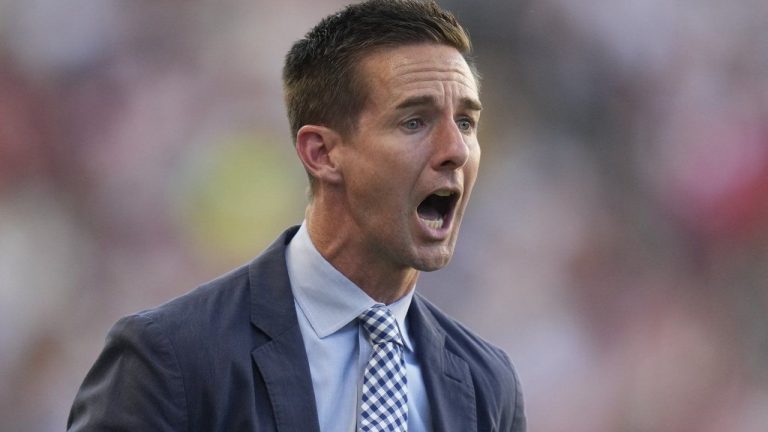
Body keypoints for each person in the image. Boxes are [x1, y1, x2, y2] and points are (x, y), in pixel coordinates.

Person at [67, 1, 525, 430]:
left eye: (465, 123)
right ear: (321, 153)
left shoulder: (486, 383)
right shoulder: (169, 358)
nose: (455, 150)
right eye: (414, 121)